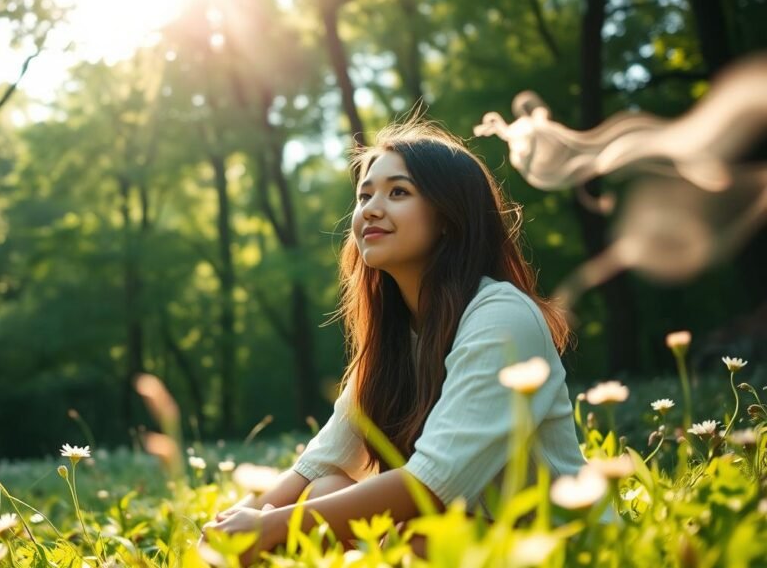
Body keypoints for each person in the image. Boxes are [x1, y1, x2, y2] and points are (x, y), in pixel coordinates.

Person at [201, 121, 603, 560]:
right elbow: (321, 461)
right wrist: (235, 526)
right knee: (323, 490)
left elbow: (432, 483)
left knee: (418, 532)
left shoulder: (501, 316)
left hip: (560, 545)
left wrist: (270, 526)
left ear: (448, 216)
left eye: (398, 192)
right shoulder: (395, 335)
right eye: (364, 196)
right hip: (465, 538)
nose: (371, 209)